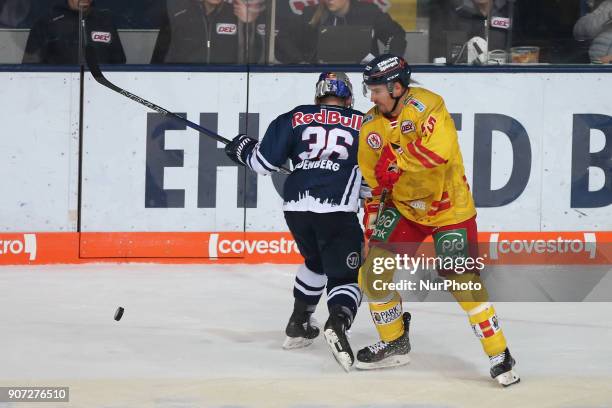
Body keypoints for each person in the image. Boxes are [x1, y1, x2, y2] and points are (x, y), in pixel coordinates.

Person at [356, 54, 520, 386]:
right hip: (404, 208)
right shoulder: (370, 126)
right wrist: (372, 223)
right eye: (369, 90)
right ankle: (395, 341)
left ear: (397, 86)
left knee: (463, 281)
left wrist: (398, 160)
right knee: (372, 275)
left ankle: (499, 353)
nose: (371, 97)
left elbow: (438, 153)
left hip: (449, 208)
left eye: (376, 90)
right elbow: (374, 186)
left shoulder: (429, 105)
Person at [224, 72, 364, 371]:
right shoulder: (366, 124)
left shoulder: (296, 116)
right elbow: (373, 180)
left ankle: (299, 323)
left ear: (318, 97)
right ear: (349, 98)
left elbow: (263, 163)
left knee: (315, 261)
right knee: (346, 276)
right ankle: (338, 322)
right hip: (337, 209)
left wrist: (242, 149)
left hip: (297, 207)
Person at [275, 0, 407, 64]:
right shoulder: (311, 14)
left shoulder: (369, 13)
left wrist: (388, 63)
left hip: (363, 77)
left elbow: (396, 35)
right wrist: (300, 62)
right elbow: (283, 38)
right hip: (320, 77)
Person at [151, 0, 265, 64]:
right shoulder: (178, 10)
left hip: (226, 86)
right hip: (182, 85)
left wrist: (249, 23)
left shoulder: (238, 12)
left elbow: (254, 59)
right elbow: (160, 56)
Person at [22, 0, 125, 64]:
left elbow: (119, 62)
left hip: (99, 91)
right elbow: (30, 66)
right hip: (56, 90)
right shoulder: (47, 22)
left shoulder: (105, 22)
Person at [429, 0, 512, 63]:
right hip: (464, 76)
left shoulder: (510, 9)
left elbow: (519, 52)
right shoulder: (454, 11)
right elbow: (445, 55)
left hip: (502, 74)